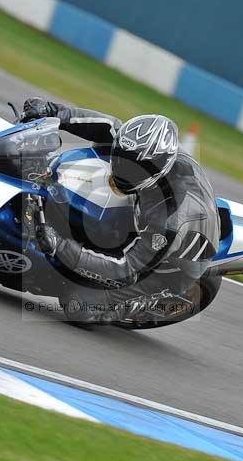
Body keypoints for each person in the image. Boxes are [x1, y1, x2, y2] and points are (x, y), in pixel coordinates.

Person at [21, 97, 220, 325]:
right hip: (145, 210)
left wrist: (61, 247)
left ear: (157, 170)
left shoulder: (170, 220)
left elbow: (127, 268)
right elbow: (105, 125)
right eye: (121, 159)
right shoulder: (142, 151)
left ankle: (129, 307)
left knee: (79, 306)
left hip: (171, 266)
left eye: (132, 168)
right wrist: (52, 111)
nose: (121, 169)